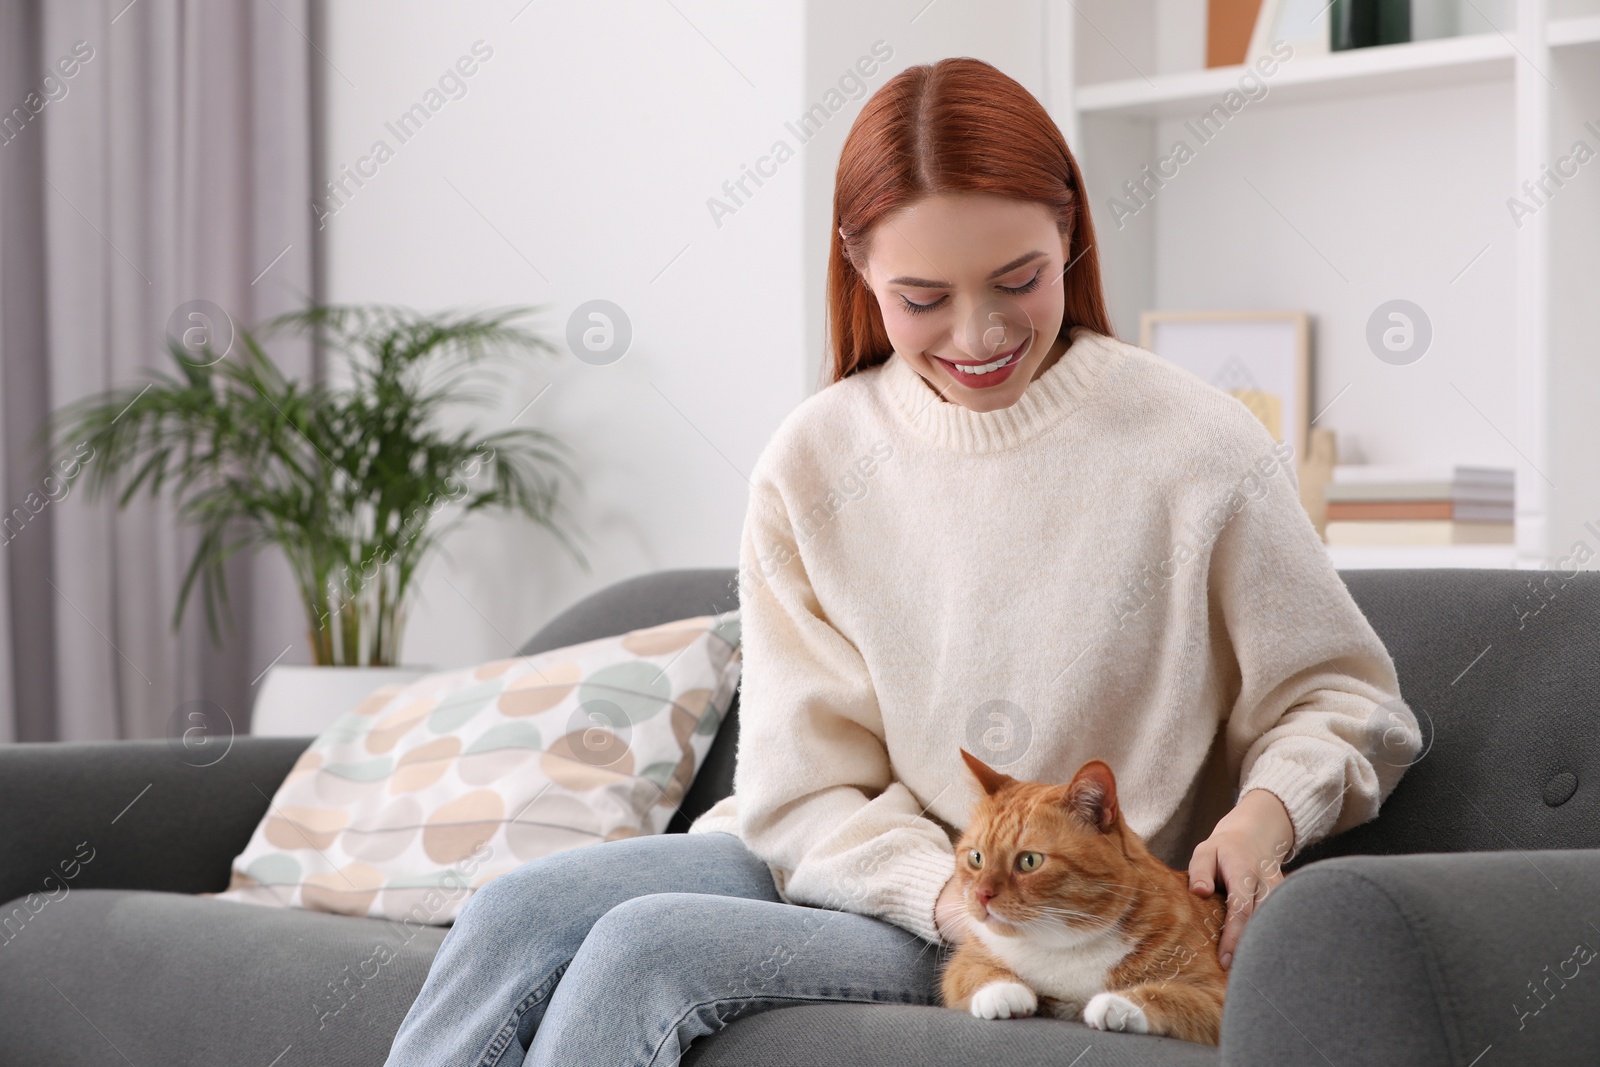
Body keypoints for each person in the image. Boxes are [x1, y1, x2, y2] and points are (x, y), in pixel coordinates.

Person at [382, 56, 1421, 1067]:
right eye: (922, 297)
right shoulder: (812, 458)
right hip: (875, 870)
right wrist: (947, 892)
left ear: (1068, 233)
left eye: (1019, 279)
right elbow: (801, 791)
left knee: (642, 949)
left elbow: (1345, 697)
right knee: (515, 907)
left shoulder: (1198, 446)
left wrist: (1263, 813)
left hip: (1058, 900)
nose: (978, 333)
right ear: (857, 266)